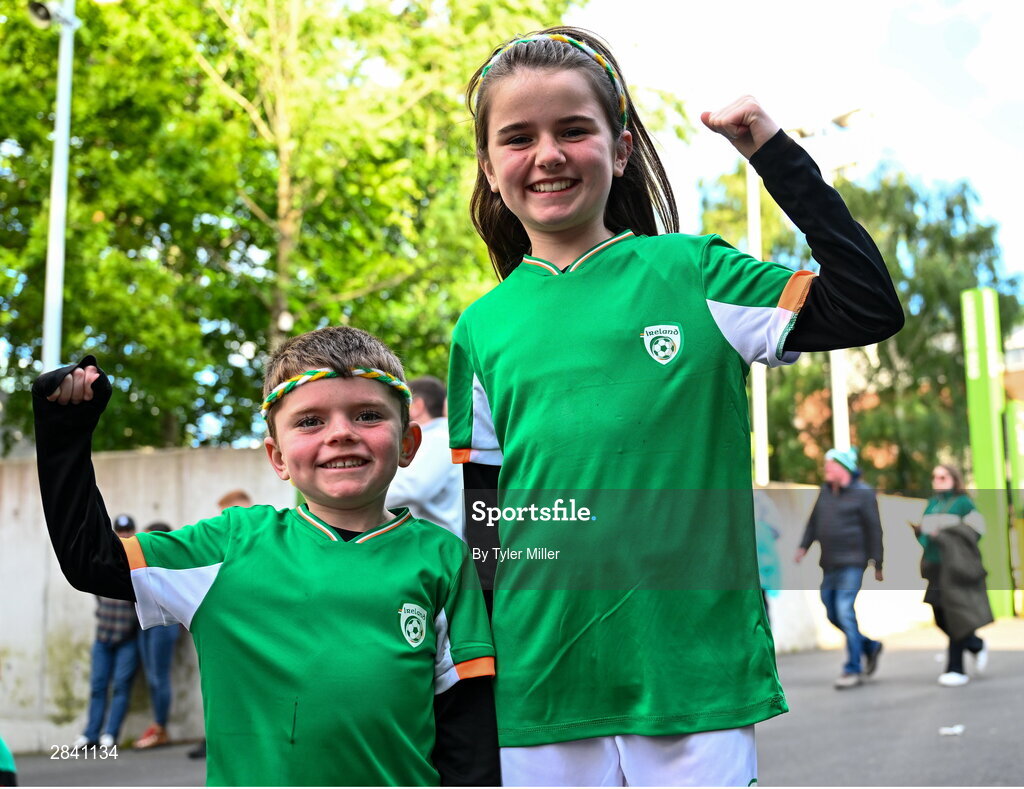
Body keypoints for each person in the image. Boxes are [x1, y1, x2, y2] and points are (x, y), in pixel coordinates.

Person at [450, 26, 903, 786]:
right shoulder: (480, 328)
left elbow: (867, 306)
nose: (548, 154)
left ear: (620, 149)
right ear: (491, 167)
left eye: (573, 130)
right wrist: (480, 684)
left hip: (695, 678)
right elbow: (486, 523)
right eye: (518, 137)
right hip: (543, 694)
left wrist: (773, 154)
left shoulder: (696, 274)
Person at [32, 326, 498, 786]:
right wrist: (65, 436)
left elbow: (468, 732)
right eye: (310, 421)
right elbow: (90, 559)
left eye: (368, 415)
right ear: (277, 457)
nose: (340, 434)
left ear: (408, 444)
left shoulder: (444, 559)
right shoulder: (230, 545)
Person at [796, 448, 885, 690]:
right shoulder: (825, 492)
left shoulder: (863, 493)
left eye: (829, 466)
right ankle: (870, 646)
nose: (825, 470)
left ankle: (852, 669)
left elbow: (874, 529)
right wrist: (803, 547)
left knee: (845, 610)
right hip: (829, 562)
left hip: (853, 562)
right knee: (832, 613)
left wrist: (878, 563)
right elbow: (814, 522)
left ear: (843, 468)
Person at [911, 464, 993, 687]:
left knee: (954, 613)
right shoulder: (932, 503)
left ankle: (955, 669)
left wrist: (946, 531)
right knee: (939, 615)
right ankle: (975, 644)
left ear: (954, 479)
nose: (937, 480)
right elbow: (927, 536)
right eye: (934, 476)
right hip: (935, 567)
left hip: (955, 568)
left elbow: (976, 531)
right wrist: (924, 533)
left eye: (943, 476)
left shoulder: (963, 502)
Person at [187, 490, 253, 760]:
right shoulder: (227, 545)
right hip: (228, 633)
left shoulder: (256, 541)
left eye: (232, 512)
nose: (227, 519)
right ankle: (214, 740)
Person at [72, 514, 140, 749]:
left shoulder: (137, 564)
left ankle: (110, 735)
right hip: (103, 636)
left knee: (121, 686)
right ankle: (90, 734)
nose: (123, 535)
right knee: (98, 686)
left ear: (133, 532)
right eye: (119, 531)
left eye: (127, 531)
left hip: (127, 638)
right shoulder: (104, 559)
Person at [386, 376, 463, 538]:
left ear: (417, 406)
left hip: (432, 545)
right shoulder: (438, 438)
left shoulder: (439, 439)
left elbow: (412, 489)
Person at [134, 522, 180, 749]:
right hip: (147, 622)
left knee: (158, 676)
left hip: (164, 624)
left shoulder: (172, 564)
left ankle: (160, 728)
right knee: (153, 676)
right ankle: (158, 726)